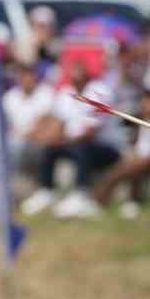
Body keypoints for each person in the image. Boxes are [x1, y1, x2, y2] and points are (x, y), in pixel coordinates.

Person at [21, 59, 123, 218]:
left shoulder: (100, 91)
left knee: (82, 147)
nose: (76, 74)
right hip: (74, 143)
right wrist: (47, 138)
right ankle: (46, 191)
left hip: (106, 148)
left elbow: (91, 133)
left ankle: (81, 195)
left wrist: (63, 140)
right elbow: (58, 125)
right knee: (49, 149)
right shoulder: (66, 93)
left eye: (80, 70)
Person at [0, 60, 55, 205]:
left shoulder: (45, 94)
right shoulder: (11, 96)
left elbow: (42, 124)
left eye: (29, 75)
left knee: (14, 145)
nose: (26, 79)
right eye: (23, 75)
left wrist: (16, 134)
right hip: (15, 137)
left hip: (36, 143)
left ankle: (7, 188)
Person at [91, 88, 150, 216]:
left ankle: (123, 201)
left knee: (126, 170)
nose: (146, 104)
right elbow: (135, 143)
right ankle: (99, 201)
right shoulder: (140, 120)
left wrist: (145, 159)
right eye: (145, 101)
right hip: (137, 157)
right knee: (117, 170)